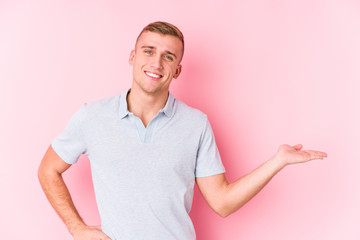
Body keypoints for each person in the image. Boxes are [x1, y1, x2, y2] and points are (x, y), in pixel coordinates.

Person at [38, 21, 327, 240]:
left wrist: (278, 161)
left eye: (168, 56)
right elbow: (48, 170)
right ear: (132, 57)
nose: (156, 62)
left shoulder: (195, 123)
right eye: (149, 51)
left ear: (177, 69)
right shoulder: (92, 117)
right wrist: (76, 227)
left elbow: (222, 203)